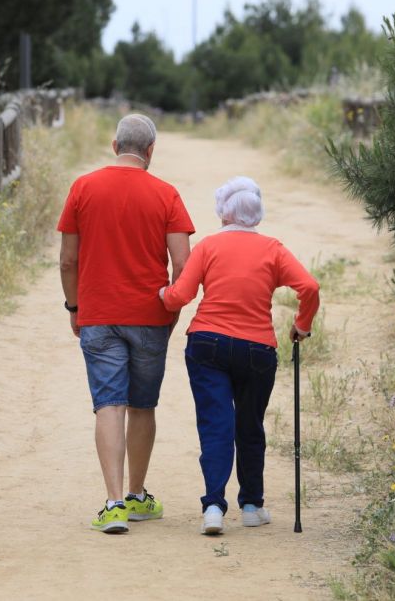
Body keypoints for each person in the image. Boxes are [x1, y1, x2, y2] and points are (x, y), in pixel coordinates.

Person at [58, 113, 195, 534]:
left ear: (115, 145)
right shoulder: (167, 194)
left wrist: (74, 308)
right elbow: (183, 265)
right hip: (150, 317)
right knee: (142, 405)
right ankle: (137, 496)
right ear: (150, 151)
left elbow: (67, 259)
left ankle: (113, 503)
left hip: (98, 315)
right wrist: (170, 309)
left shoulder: (83, 188)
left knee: (108, 403)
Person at [159, 176, 319, 535]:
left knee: (216, 426)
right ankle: (251, 505)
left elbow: (180, 295)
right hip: (257, 350)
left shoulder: (209, 246)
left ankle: (213, 508)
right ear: (257, 216)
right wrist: (302, 324)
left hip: (207, 343)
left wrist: (162, 296)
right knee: (250, 425)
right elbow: (309, 286)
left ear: (223, 213)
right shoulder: (274, 249)